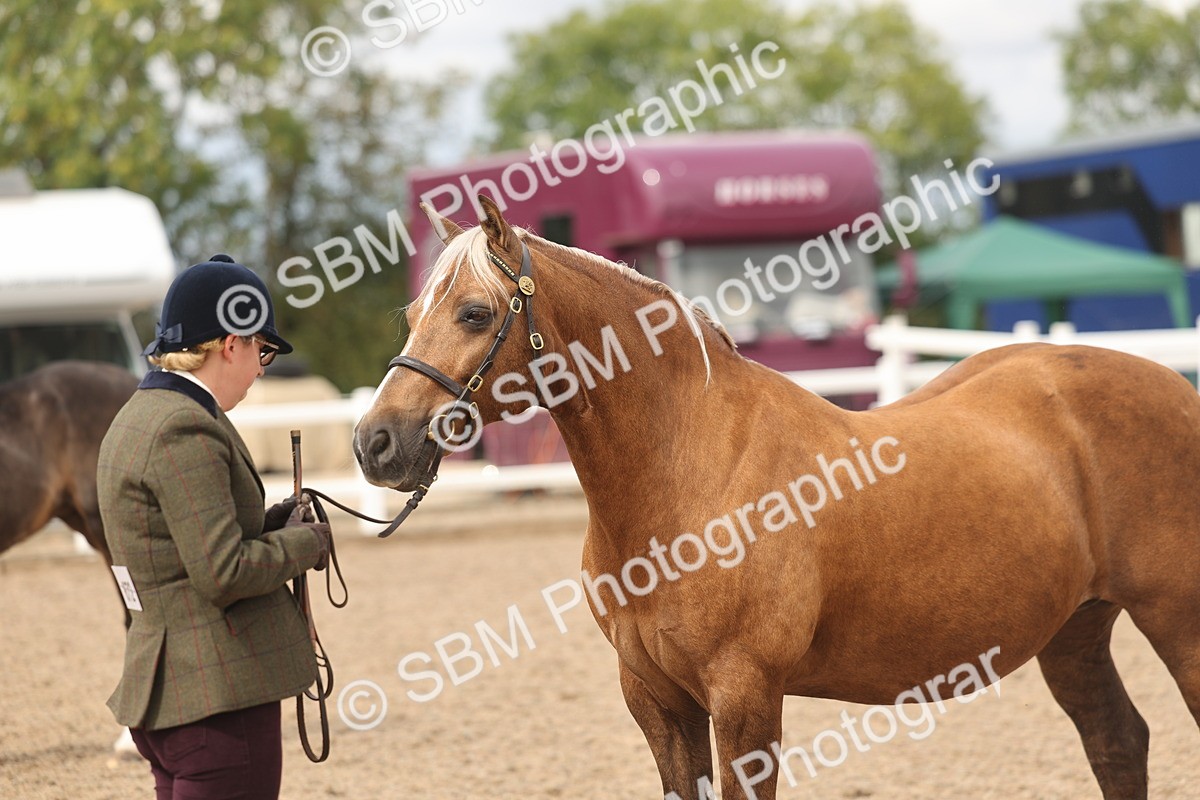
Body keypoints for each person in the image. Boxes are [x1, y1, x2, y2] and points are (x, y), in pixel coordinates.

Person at [97, 254, 331, 800]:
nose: (262, 367)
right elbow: (221, 572)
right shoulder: (186, 427)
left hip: (167, 695)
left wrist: (269, 524)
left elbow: (179, 544)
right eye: (262, 350)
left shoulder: (138, 414)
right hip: (216, 698)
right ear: (233, 344)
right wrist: (305, 544)